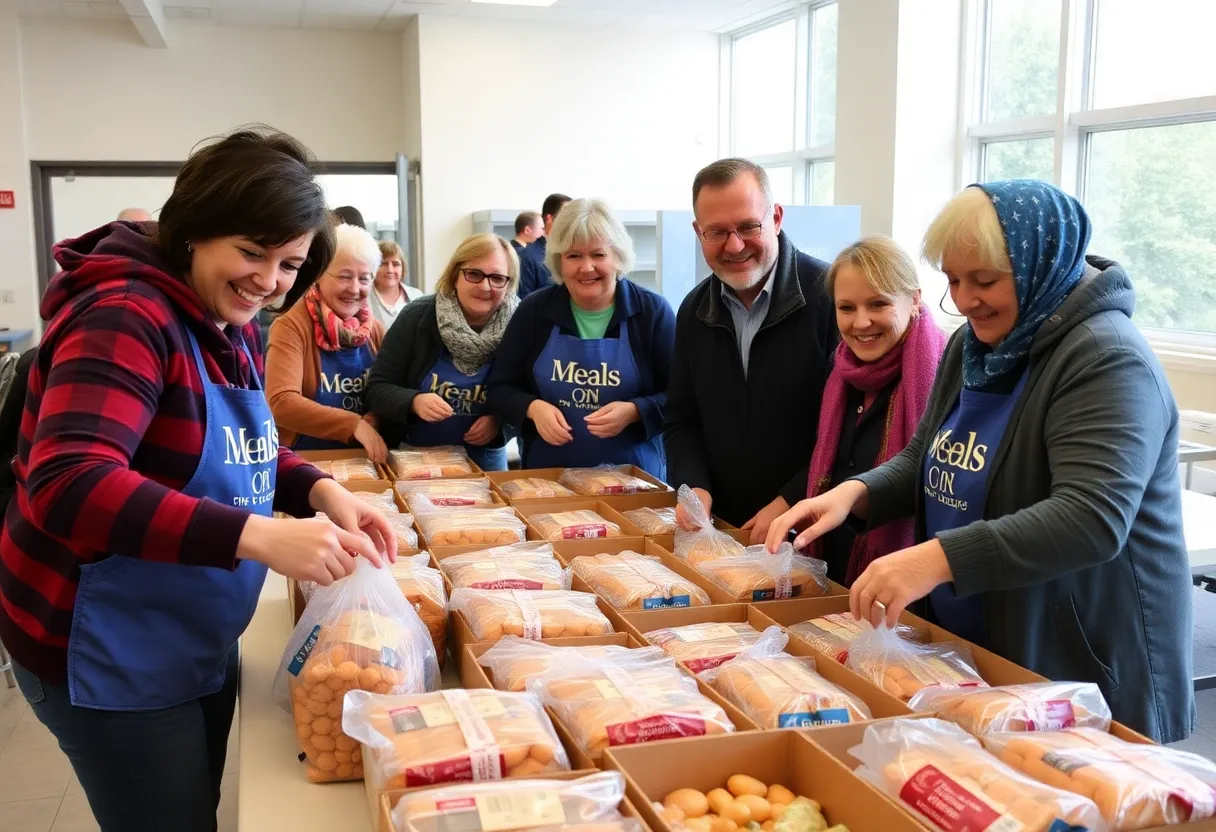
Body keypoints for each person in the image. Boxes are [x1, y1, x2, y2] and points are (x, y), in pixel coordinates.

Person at [0, 128, 396, 832]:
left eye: (289, 263)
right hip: (106, 644)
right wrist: (256, 535)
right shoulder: (126, 314)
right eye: (252, 252)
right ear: (192, 233)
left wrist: (319, 491)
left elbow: (243, 446)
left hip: (186, 629)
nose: (269, 280)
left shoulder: (227, 315)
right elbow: (68, 482)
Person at [767, 179, 1193, 743]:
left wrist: (932, 560)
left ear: (1040, 263)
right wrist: (855, 494)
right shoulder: (977, 344)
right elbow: (928, 454)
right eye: (953, 281)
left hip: (1078, 649)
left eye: (985, 281)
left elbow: (1091, 517)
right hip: (990, 630)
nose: (966, 300)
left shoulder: (1105, 358)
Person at [664, 158, 837, 541]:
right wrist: (694, 487)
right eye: (717, 232)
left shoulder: (832, 297)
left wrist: (791, 499)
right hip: (720, 531)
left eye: (748, 227)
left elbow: (848, 430)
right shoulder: (694, 310)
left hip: (813, 529)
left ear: (776, 218)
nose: (735, 245)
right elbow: (681, 419)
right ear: (698, 232)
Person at [488, 198, 674, 478]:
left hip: (634, 483)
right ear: (559, 262)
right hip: (548, 482)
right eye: (574, 256)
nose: (587, 267)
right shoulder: (535, 310)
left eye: (598, 255)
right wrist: (532, 408)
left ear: (617, 257)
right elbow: (499, 388)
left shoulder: (651, 313)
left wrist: (636, 410)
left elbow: (682, 397)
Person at [805, 236, 947, 586]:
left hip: (910, 585)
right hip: (834, 572)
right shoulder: (840, 371)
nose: (861, 323)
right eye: (847, 308)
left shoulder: (944, 374)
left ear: (914, 299)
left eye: (878, 304)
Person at [366, 233, 519, 471]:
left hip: (485, 461)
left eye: (497, 277)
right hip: (416, 459)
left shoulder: (519, 324)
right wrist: (413, 401)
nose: (485, 286)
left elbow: (529, 393)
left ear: (508, 284)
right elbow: (377, 388)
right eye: (474, 274)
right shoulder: (416, 317)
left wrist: (501, 423)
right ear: (455, 275)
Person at [266, 223, 389, 461]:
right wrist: (353, 424)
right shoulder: (291, 326)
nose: (355, 288)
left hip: (364, 461)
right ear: (319, 275)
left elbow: (389, 389)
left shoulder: (375, 330)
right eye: (344, 276)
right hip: (305, 461)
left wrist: (376, 417)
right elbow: (281, 402)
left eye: (364, 279)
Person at [517, 192, 571, 299]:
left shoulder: (572, 252)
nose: (570, 223)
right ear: (549, 219)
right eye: (566, 217)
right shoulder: (528, 257)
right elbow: (522, 303)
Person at [368, 239, 421, 329]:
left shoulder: (417, 296)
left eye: (395, 264)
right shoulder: (364, 298)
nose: (390, 270)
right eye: (383, 264)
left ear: (403, 268)